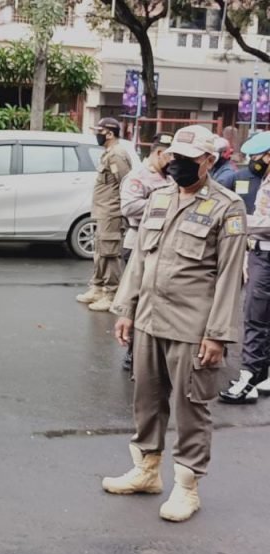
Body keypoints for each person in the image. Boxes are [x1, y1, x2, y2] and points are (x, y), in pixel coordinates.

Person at [105, 125, 247, 522]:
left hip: (192, 326)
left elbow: (230, 276)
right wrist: (126, 309)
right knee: (146, 399)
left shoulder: (227, 206)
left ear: (208, 161)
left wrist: (217, 335)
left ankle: (186, 486)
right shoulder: (160, 197)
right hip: (150, 319)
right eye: (173, 156)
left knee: (190, 407)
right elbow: (141, 259)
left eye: (187, 159)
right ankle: (146, 470)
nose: (176, 164)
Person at [219, 131, 270, 403]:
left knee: (255, 319)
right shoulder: (265, 179)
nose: (254, 161)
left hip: (266, 255)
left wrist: (240, 221)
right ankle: (259, 375)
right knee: (259, 318)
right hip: (259, 253)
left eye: (258, 156)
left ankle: (249, 380)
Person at [118, 131, 173, 371]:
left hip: (164, 243)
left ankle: (154, 352)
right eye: (171, 156)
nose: (174, 162)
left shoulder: (170, 176)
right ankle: (133, 352)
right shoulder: (138, 176)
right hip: (138, 241)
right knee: (138, 299)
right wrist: (164, 204)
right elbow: (129, 207)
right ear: (159, 153)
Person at [77, 117, 132, 312]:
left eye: (99, 132)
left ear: (109, 133)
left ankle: (111, 294)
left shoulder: (117, 155)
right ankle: (98, 288)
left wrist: (119, 210)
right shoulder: (108, 153)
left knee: (110, 253)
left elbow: (125, 183)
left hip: (112, 212)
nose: (97, 135)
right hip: (103, 211)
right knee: (100, 252)